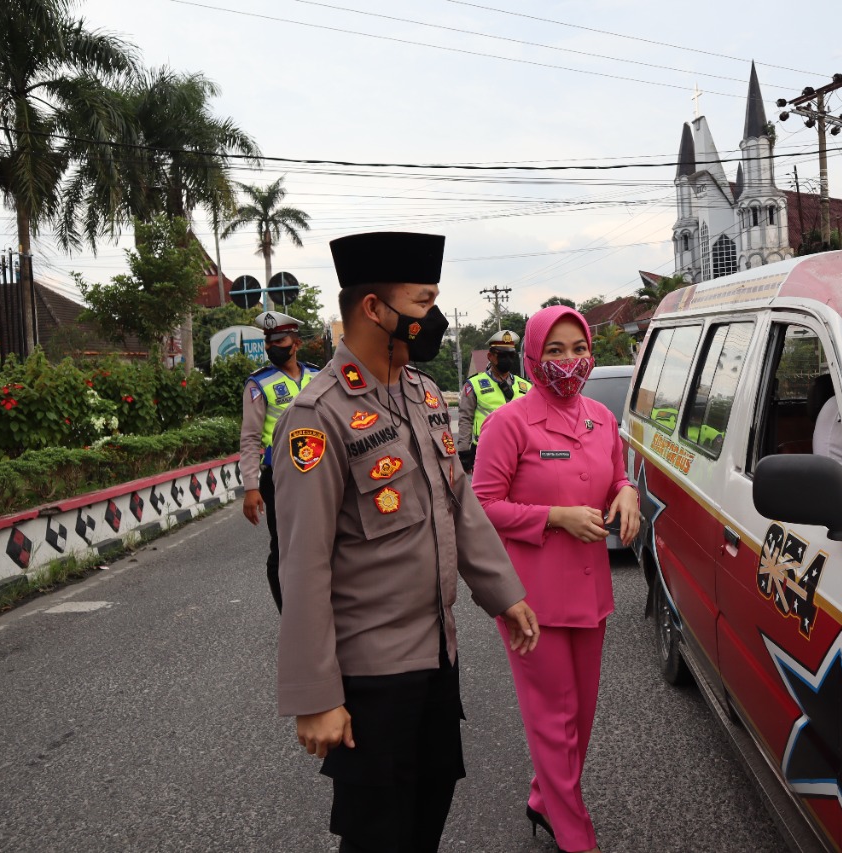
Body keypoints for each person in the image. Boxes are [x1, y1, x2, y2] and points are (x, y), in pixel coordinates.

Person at [272, 231, 540, 853]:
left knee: (427, 814)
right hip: (371, 674)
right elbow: (303, 562)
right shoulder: (319, 416)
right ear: (373, 309)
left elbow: (460, 502)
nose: (434, 319)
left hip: (436, 657)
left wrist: (503, 592)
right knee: (377, 836)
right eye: (422, 304)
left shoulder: (421, 394)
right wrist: (315, 695)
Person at [471, 305, 640, 853]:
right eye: (555, 351)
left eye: (577, 349)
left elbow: (616, 473)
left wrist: (627, 491)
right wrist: (553, 517)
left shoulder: (601, 418)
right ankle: (575, 833)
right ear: (533, 357)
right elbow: (480, 505)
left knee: (582, 716)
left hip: (590, 591)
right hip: (530, 597)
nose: (570, 362)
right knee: (553, 717)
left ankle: (545, 797)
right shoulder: (509, 422)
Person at [238, 310, 320, 612]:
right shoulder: (259, 384)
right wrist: (250, 487)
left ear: (296, 343)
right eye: (269, 341)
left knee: (328, 543)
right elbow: (249, 438)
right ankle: (290, 616)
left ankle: (326, 611)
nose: (274, 346)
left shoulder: (318, 377)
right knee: (284, 548)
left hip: (320, 474)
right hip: (280, 478)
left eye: (280, 340)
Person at [456, 329, 532, 472]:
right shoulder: (474, 384)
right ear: (490, 356)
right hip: (485, 451)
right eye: (502, 355)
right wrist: (464, 452)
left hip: (520, 452)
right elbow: (465, 419)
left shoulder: (525, 386)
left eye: (511, 355)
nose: (507, 359)